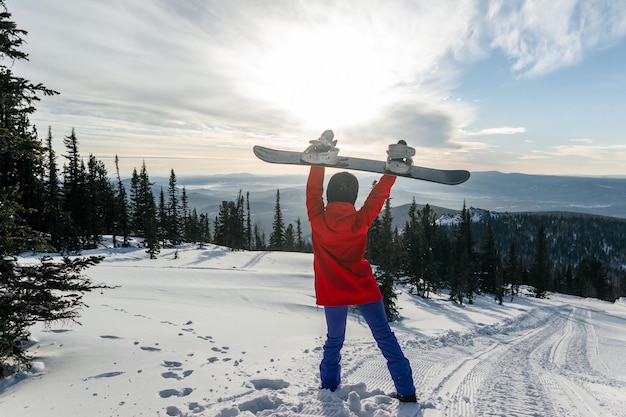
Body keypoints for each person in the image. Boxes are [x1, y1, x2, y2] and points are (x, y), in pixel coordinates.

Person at [305, 132, 416, 402]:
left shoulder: (317, 218)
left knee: (334, 341)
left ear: (330, 195)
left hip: (332, 291)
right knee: (385, 338)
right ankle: (407, 392)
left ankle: (329, 388)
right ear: (352, 198)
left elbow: (312, 193)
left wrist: (318, 162)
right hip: (362, 286)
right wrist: (393, 170)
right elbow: (377, 198)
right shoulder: (360, 220)